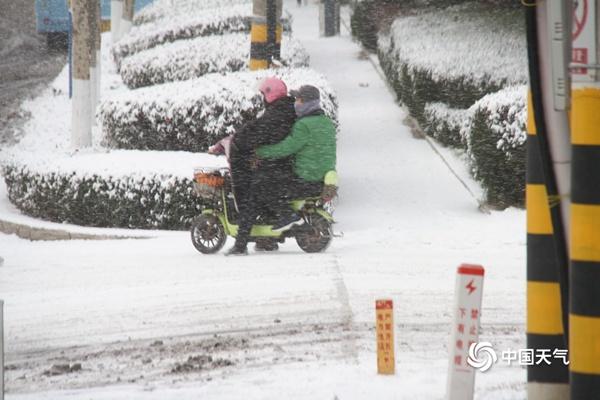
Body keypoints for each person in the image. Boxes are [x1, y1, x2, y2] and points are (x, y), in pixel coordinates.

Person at [223, 77, 297, 256]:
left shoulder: (277, 114)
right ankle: (266, 239)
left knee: (250, 198)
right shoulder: (282, 110)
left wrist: (238, 141)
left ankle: (241, 245)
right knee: (256, 196)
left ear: (271, 94)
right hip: (278, 164)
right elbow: (259, 129)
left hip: (276, 166)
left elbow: (257, 132)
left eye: (264, 94)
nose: (262, 98)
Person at [256, 84, 336, 232]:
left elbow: (286, 148)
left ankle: (288, 215)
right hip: (320, 177)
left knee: (262, 184)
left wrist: (260, 152)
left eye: (298, 100)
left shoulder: (304, 125)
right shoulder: (327, 122)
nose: (295, 103)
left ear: (307, 103)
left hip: (306, 179)